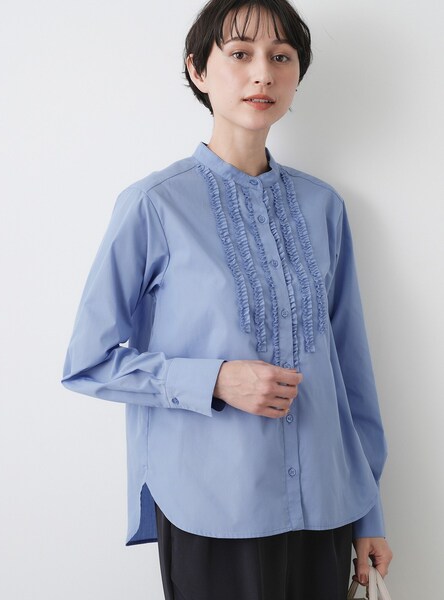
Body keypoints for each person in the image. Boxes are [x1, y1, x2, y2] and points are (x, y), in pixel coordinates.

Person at [61, 0, 393, 598]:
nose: (262, 73)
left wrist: (370, 511)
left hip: (327, 505)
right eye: (240, 54)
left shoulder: (324, 207)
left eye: (280, 57)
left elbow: (351, 373)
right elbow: (88, 362)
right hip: (213, 509)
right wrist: (213, 380)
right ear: (198, 70)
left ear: (297, 75)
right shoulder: (154, 206)